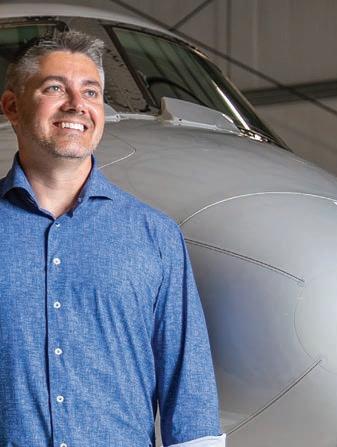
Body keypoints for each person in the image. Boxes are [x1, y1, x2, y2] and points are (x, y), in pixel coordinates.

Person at [0, 31, 225, 447]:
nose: (77, 105)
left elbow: (189, 393)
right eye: (55, 88)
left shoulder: (155, 236)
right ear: (12, 106)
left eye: (91, 92)